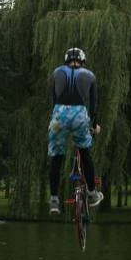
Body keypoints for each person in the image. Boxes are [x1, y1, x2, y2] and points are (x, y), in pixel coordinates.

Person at [47, 46, 103, 215]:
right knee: (85, 153)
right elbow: (93, 107)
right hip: (79, 114)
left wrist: (58, 117)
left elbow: (53, 99)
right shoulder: (90, 75)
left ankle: (54, 201)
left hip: (59, 115)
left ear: (66, 60)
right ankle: (92, 195)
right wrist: (95, 125)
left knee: (56, 158)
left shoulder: (57, 72)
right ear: (83, 61)